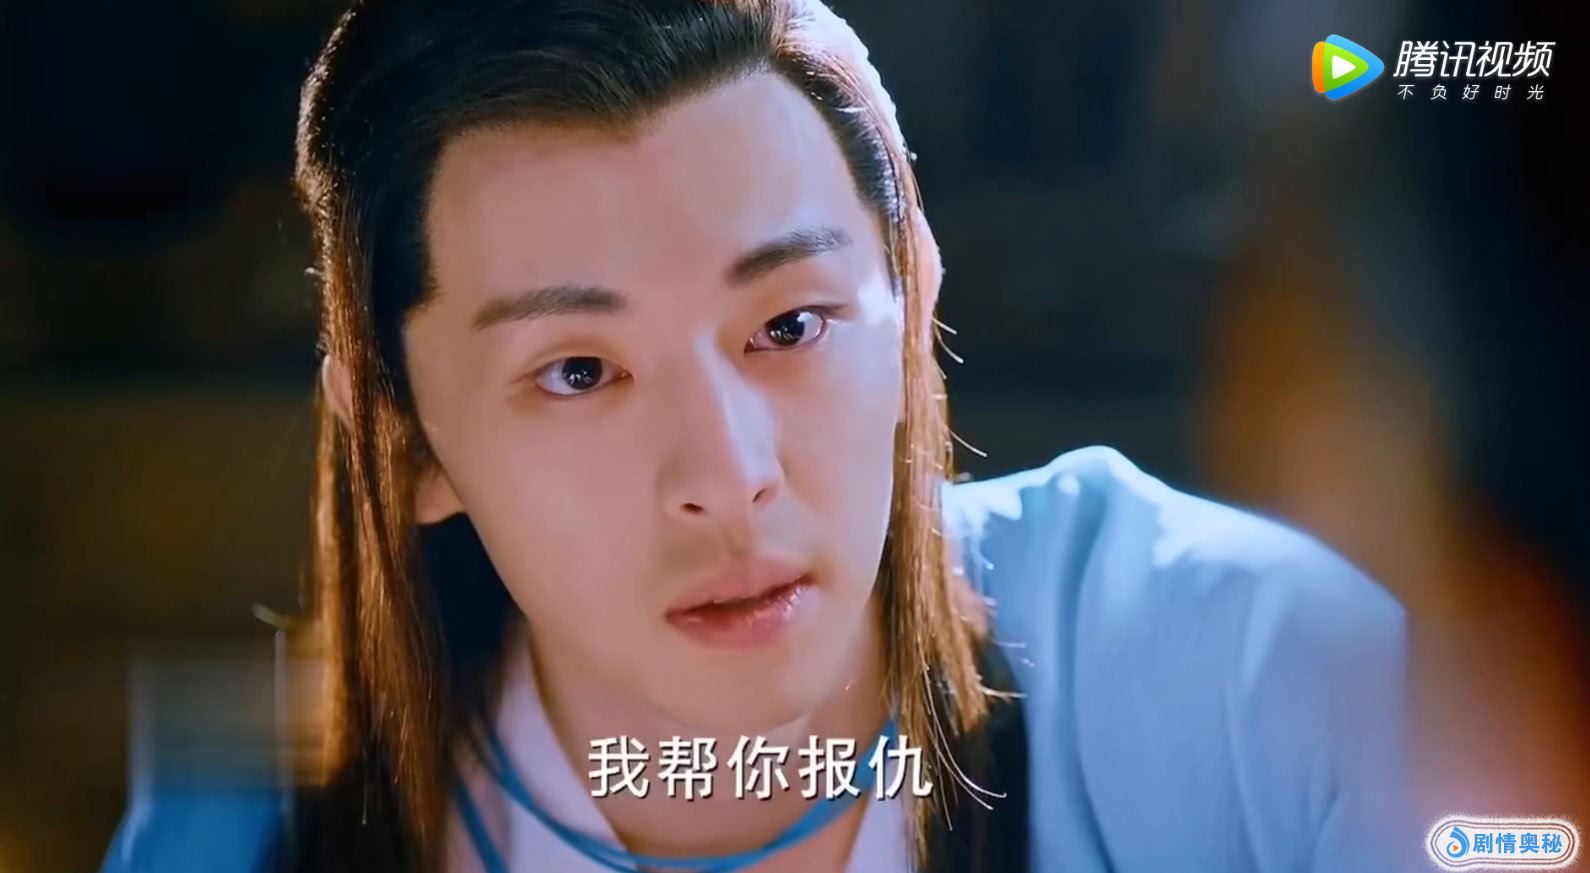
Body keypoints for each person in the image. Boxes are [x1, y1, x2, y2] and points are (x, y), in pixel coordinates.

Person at [98, 1, 1410, 871]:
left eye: (788, 324)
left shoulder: (1257, 679)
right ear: (405, 437)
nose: (729, 478)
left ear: (912, 295)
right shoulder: (249, 835)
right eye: (577, 370)